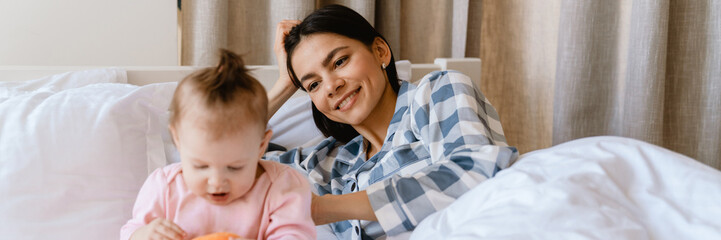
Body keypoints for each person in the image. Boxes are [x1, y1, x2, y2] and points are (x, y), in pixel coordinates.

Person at [263, 4, 518, 239]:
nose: (331, 86)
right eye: (313, 84)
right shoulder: (331, 164)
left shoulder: (435, 92)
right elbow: (230, 160)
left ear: (380, 51)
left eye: (340, 61)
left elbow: (476, 173)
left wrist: (324, 208)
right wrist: (284, 85)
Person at [120, 50, 316, 240]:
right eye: (201, 166)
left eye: (234, 167)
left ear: (261, 146)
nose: (216, 181)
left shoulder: (281, 186)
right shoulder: (164, 187)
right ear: (178, 140)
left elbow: (296, 234)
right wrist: (143, 234)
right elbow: (132, 230)